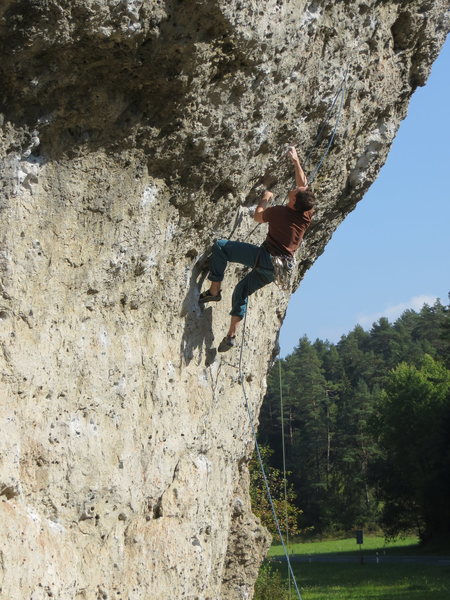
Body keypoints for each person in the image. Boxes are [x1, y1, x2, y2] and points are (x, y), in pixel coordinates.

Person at [199, 146, 315, 352]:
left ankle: (214, 290)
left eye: (297, 192)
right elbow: (303, 184)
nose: (298, 187)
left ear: (294, 200)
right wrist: (296, 161)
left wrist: (265, 199)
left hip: (266, 258)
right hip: (279, 269)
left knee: (221, 247)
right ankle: (231, 335)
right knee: (241, 290)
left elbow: (258, 216)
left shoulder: (279, 213)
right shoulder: (305, 214)